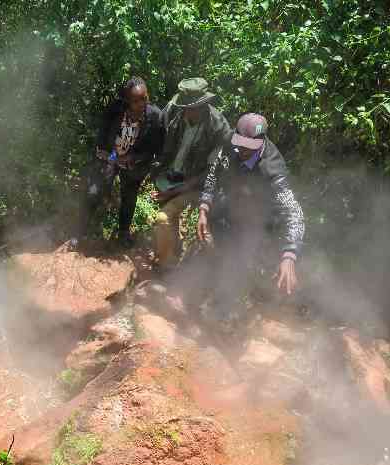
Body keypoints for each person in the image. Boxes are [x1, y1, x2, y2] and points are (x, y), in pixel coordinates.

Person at [163, 113, 304, 324]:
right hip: (227, 207)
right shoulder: (232, 142)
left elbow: (295, 213)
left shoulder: (273, 169)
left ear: (261, 142)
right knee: (204, 247)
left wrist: (289, 255)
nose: (241, 150)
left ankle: (222, 312)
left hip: (256, 223)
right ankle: (183, 293)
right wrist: (203, 208)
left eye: (248, 146)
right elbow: (213, 173)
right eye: (239, 143)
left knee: (235, 264)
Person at [152, 77, 233, 267]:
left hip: (198, 185)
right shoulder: (174, 112)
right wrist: (156, 172)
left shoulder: (218, 128)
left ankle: (196, 271)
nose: (187, 111)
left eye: (192, 107)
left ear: (203, 104)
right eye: (185, 106)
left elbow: (212, 172)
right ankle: (168, 262)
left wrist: (176, 191)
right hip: (172, 177)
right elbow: (159, 136)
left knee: (167, 220)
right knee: (167, 221)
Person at [80, 76, 164, 248]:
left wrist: (135, 158)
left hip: (133, 162)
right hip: (111, 156)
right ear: (127, 100)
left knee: (130, 196)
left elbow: (156, 149)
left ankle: (123, 233)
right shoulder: (116, 109)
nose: (141, 103)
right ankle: (83, 228)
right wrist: (103, 150)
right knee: (96, 189)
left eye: (144, 98)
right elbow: (103, 131)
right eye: (136, 100)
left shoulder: (155, 117)